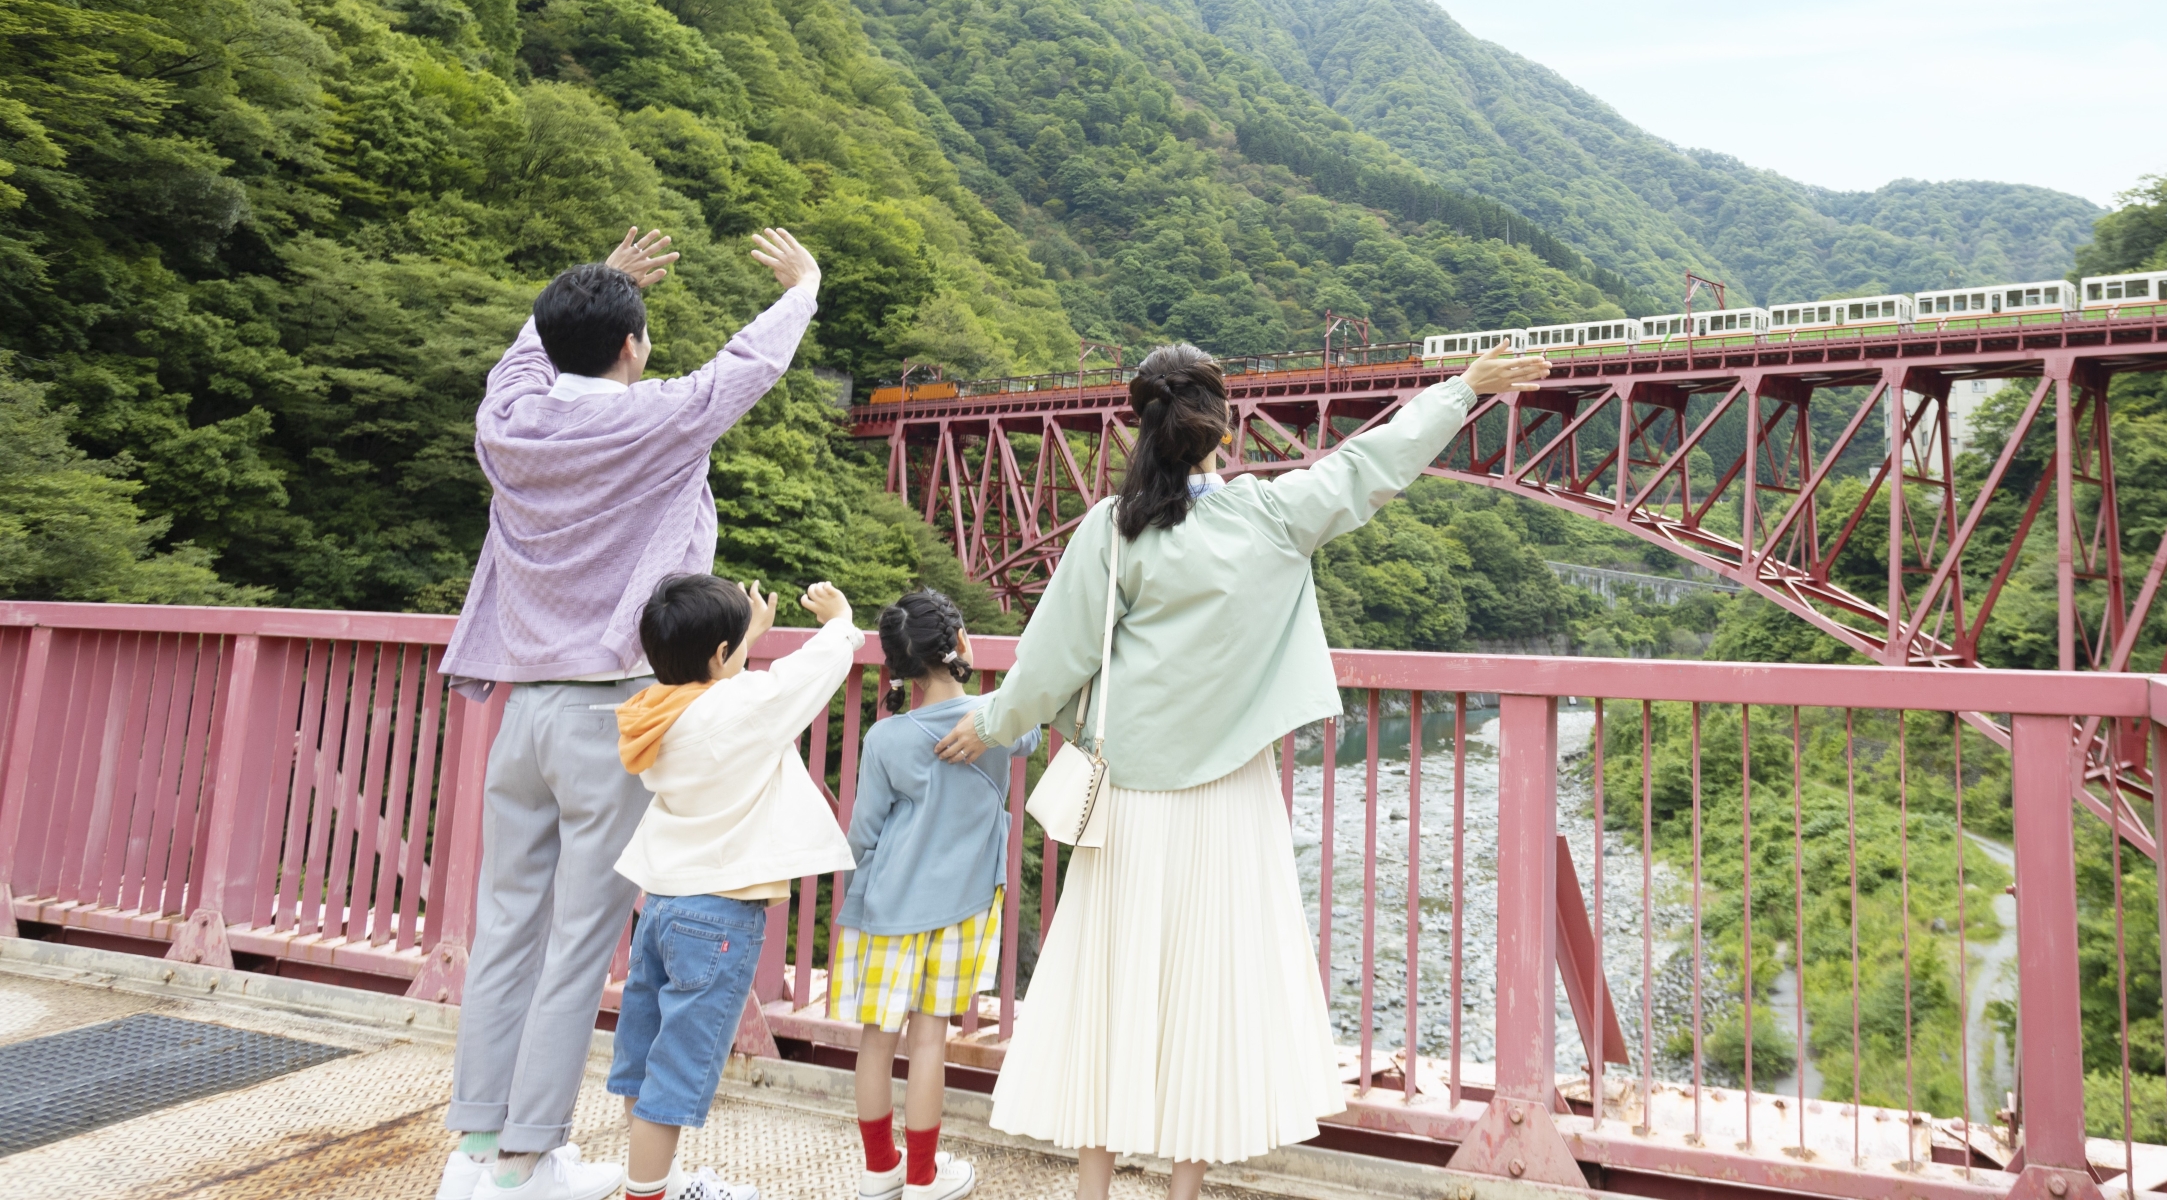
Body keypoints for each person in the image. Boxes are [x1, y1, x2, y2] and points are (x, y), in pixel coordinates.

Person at [934, 340, 1550, 1200]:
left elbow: (1048, 665)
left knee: (1109, 991)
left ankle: (1093, 1192)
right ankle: (1183, 1192)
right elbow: (1372, 464)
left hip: (1132, 802)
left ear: (1139, 423)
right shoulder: (1270, 515)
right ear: (1221, 425)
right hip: (1232, 799)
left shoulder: (1113, 532)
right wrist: (1463, 389)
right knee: (1208, 999)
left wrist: (990, 723)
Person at [437, 225, 822, 1200]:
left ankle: (474, 1153)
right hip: (612, 716)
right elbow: (750, 363)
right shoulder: (656, 419)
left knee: (505, 930)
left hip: (521, 715)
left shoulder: (508, 425)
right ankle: (529, 1159)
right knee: (575, 943)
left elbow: (525, 358)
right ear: (633, 347)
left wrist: (593, 285)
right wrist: (804, 283)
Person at [607, 572, 866, 1200]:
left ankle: (656, 1182)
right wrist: (840, 623)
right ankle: (650, 1195)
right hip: (718, 917)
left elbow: (717, 691)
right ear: (721, 656)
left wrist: (744, 638)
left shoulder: (653, 713)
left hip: (662, 907)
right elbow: (799, 680)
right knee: (675, 1079)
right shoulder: (737, 709)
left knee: (644, 1063)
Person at [835, 589, 1040, 1200]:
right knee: (929, 1039)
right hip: (965, 906)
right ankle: (924, 1178)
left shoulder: (886, 740)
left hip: (888, 905)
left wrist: (856, 902)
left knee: (877, 1038)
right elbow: (1031, 719)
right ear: (962, 647)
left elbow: (864, 834)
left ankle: (880, 1172)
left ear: (898, 668)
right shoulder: (997, 720)